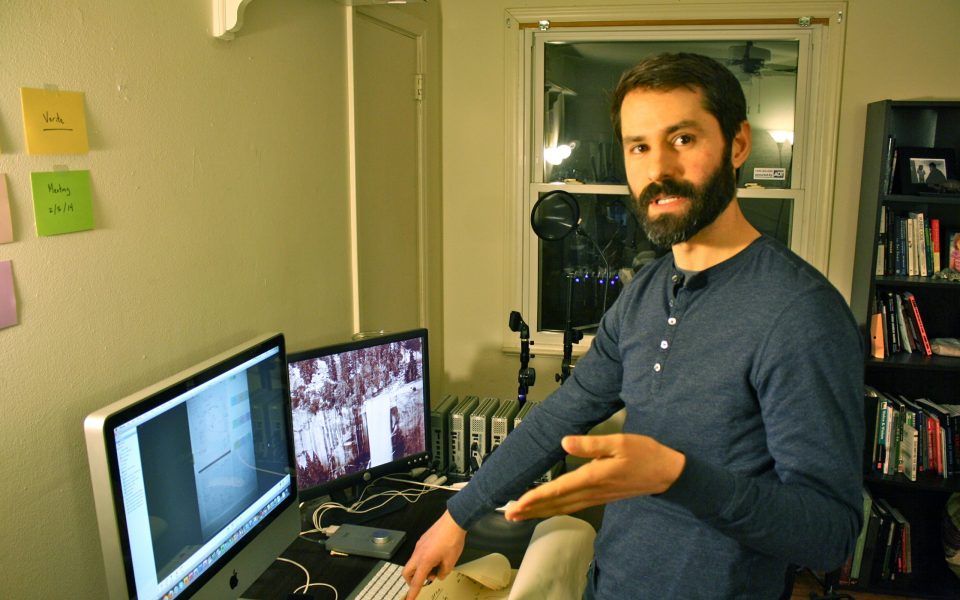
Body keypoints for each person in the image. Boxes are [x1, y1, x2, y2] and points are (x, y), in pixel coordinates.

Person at [403, 53, 864, 599]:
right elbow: (559, 418)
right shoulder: (647, 291)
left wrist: (677, 476)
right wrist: (456, 517)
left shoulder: (800, 314)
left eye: (683, 139)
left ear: (738, 144)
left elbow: (829, 534)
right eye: (639, 146)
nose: (658, 168)